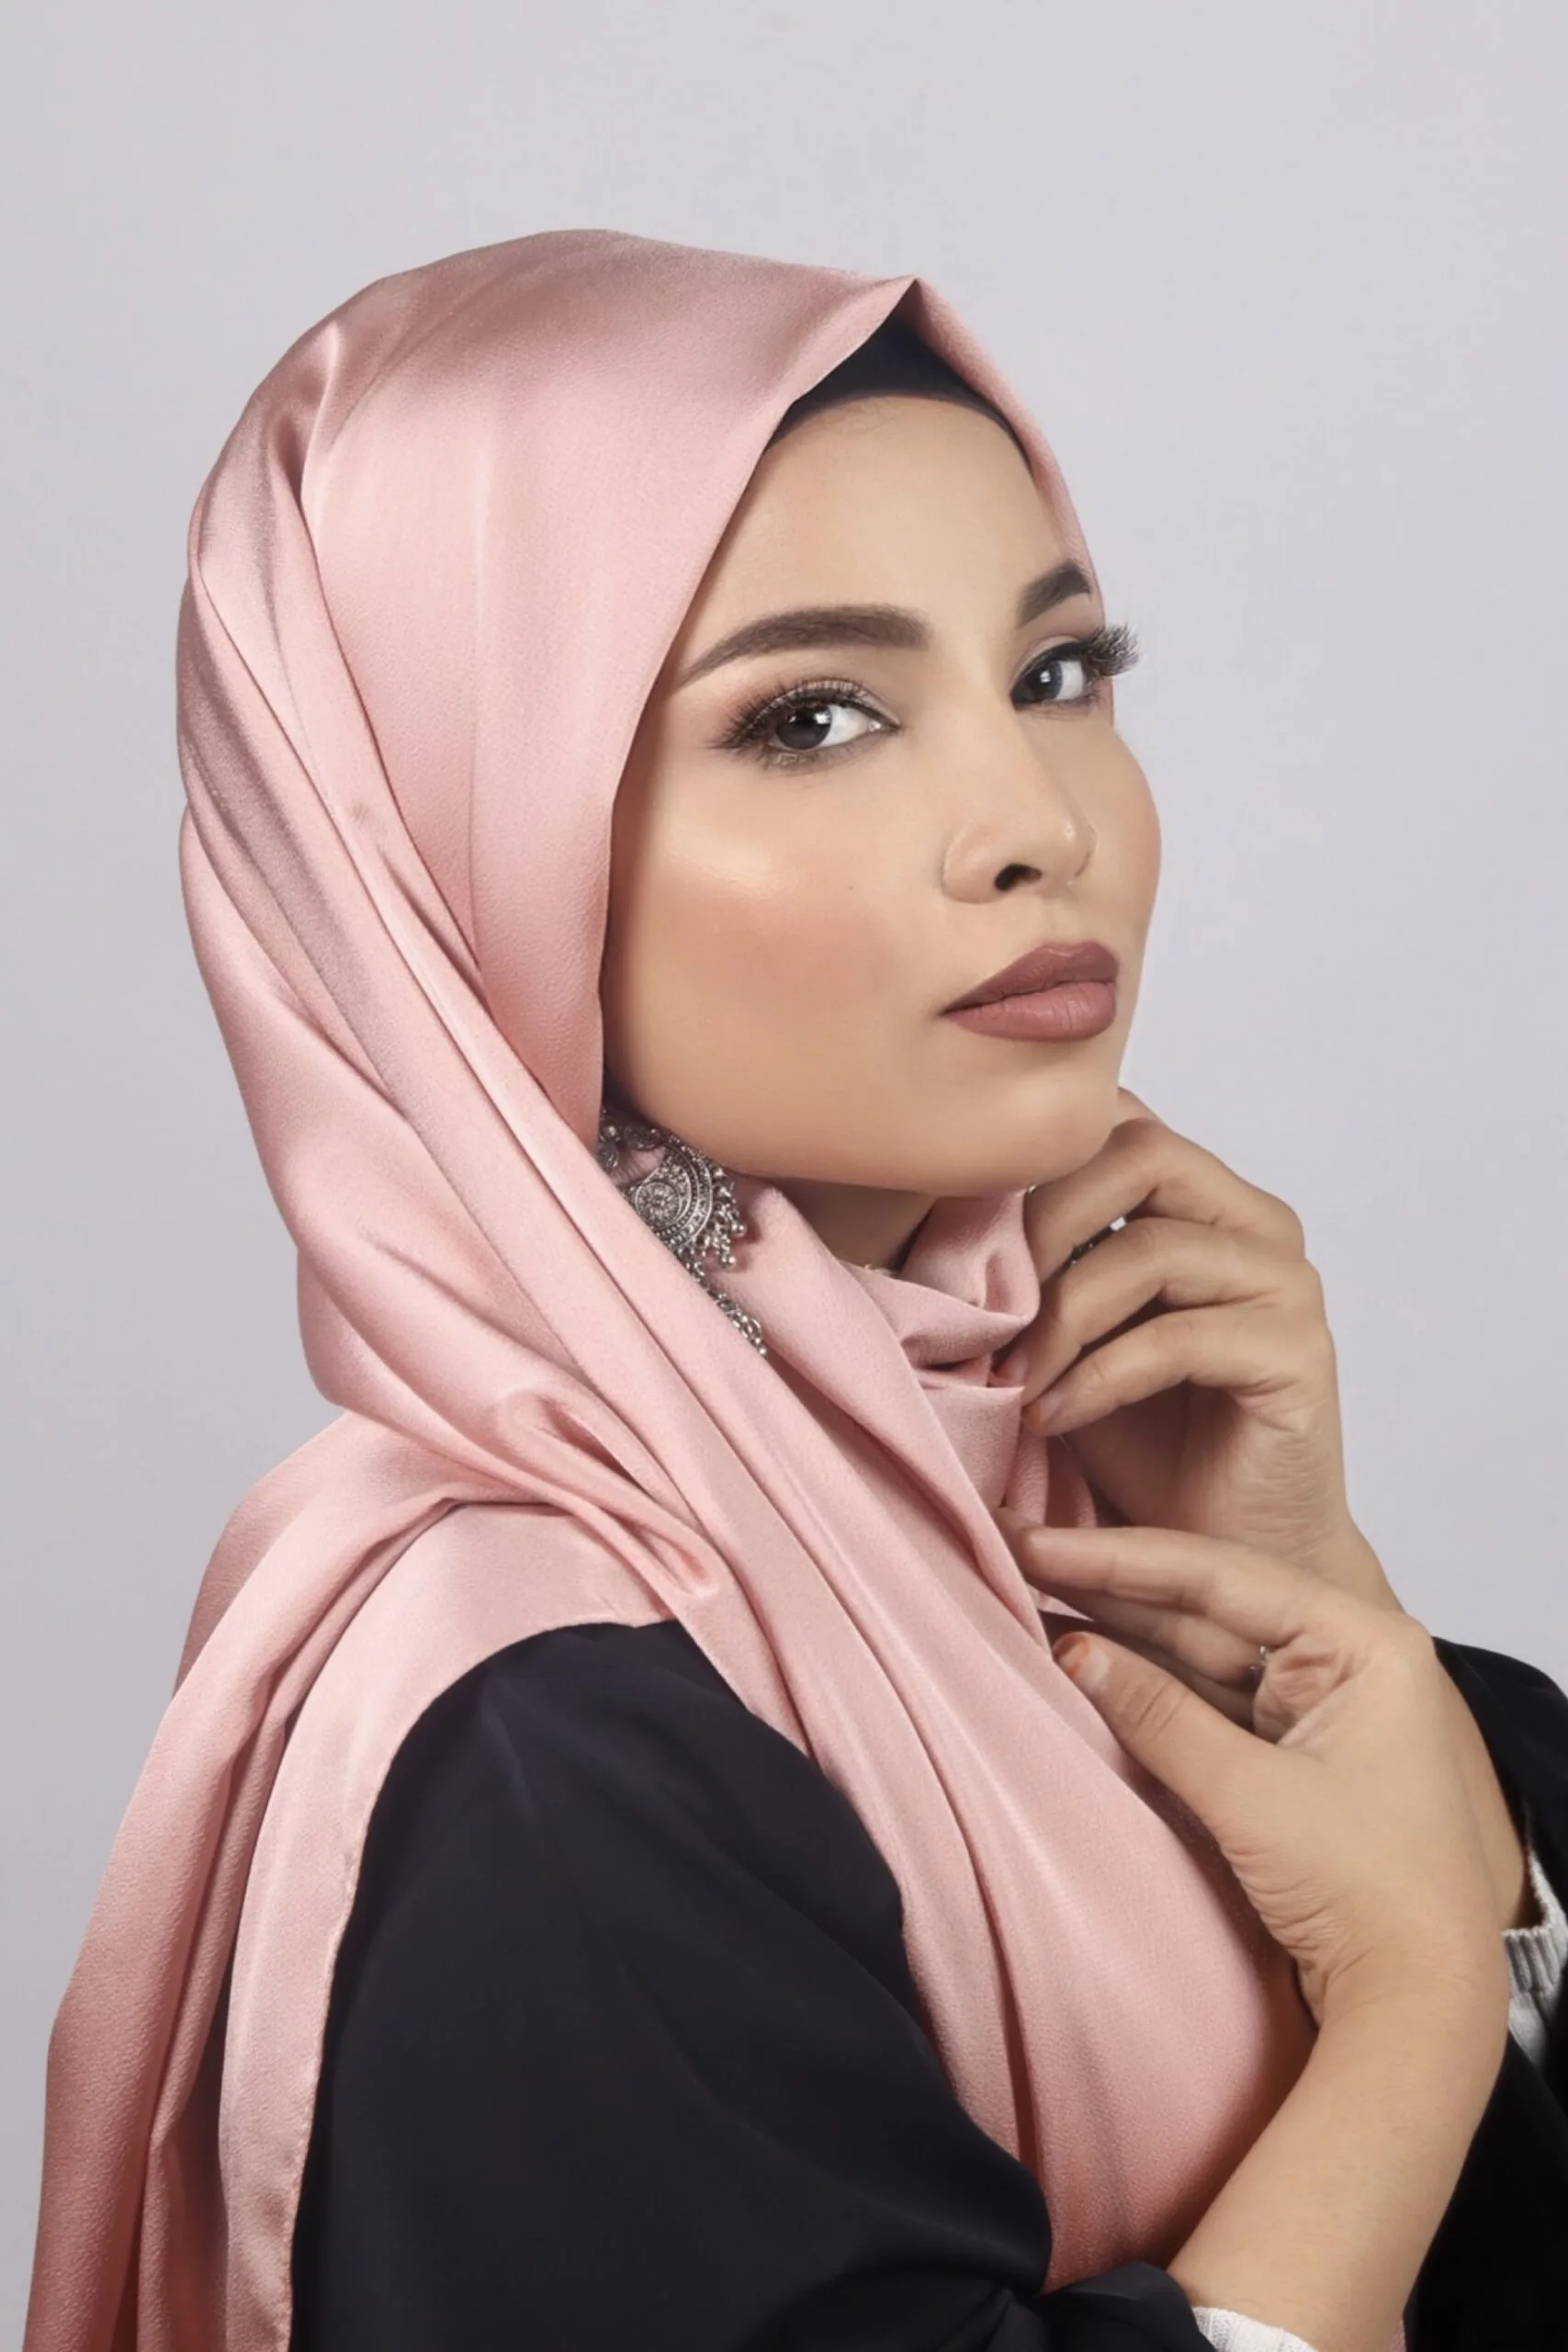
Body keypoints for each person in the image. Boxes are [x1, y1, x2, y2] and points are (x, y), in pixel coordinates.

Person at [23, 230, 1568, 2352]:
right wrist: (1408, 1999)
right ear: (460, 849)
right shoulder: (545, 1753)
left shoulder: (1072, 1501)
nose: (1032, 823)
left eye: (1060, 671)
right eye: (813, 716)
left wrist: (1310, 1615)